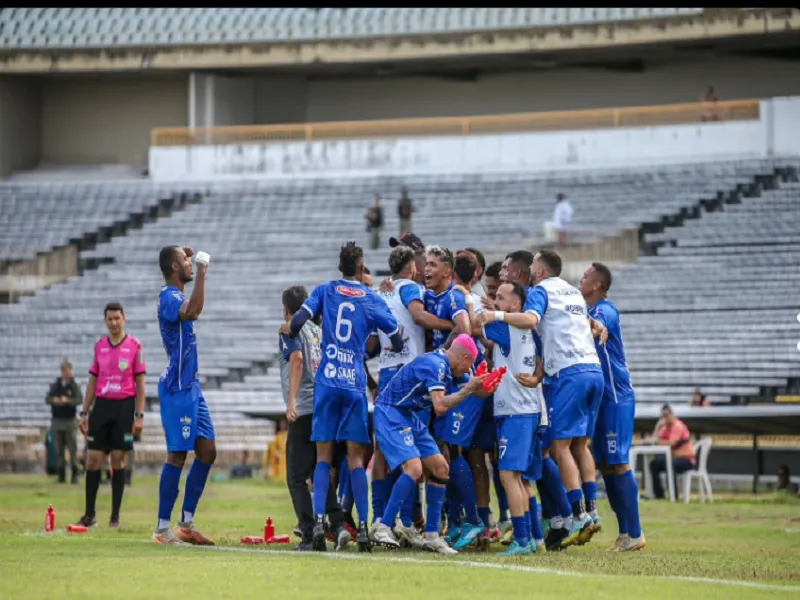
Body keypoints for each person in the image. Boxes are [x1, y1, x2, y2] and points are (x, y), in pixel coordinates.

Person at [282, 242, 403, 552]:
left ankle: (320, 524)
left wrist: (291, 328)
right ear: (361, 269)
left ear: (340, 266)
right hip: (353, 386)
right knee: (354, 459)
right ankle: (362, 528)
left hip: (327, 383)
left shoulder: (325, 290)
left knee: (322, 458)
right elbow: (396, 335)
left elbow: (297, 323)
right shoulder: (371, 297)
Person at [480, 249, 604, 548]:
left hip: (563, 375)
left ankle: (574, 515)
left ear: (537, 272)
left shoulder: (538, 294)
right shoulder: (572, 291)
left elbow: (531, 320)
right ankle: (588, 512)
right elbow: (583, 322)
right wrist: (600, 326)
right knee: (576, 446)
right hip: (592, 369)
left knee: (554, 451)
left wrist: (492, 312)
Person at [370, 335, 489, 554]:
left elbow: (475, 390)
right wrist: (469, 388)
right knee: (414, 468)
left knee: (441, 467)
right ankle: (383, 526)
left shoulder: (453, 369)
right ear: (463, 357)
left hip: (408, 415)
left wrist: (486, 383)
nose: (468, 369)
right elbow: (440, 406)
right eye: (469, 364)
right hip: (391, 412)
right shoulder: (436, 365)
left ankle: (432, 535)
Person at [372, 245, 453, 546]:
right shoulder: (409, 289)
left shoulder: (381, 293)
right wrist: (451, 325)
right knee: (413, 456)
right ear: (413, 266)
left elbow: (371, 342)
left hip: (386, 372)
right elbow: (419, 316)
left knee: (386, 451)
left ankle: (383, 516)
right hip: (412, 374)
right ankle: (403, 521)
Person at [152, 246, 217, 546]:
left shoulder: (175, 294)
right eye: (186, 261)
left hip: (192, 387)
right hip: (177, 388)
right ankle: (162, 529)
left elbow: (189, 307)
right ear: (175, 268)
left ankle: (186, 524)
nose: (190, 264)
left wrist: (184, 253)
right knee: (177, 455)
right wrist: (202, 272)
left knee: (207, 452)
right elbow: (192, 311)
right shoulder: (168, 297)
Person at [279, 285, 350, 551]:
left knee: (296, 477)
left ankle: (310, 534)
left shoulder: (290, 329)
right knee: (317, 469)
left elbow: (296, 360)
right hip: (323, 405)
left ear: (287, 310)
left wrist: (291, 401)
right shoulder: (318, 331)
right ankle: (338, 524)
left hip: (305, 407)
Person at [580, 262, 645, 552]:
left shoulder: (604, 310)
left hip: (616, 396)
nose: (580, 280)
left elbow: (602, 324)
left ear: (596, 286)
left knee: (618, 461)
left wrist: (596, 326)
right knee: (606, 465)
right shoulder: (587, 312)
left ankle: (636, 532)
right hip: (601, 397)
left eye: (585, 276)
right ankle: (625, 533)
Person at [483, 281, 547, 556]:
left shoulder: (507, 327)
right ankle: (535, 538)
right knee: (520, 479)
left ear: (515, 304)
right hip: (527, 409)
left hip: (515, 411)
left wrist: (469, 299)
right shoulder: (529, 330)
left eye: (500, 297)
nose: (495, 301)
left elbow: (474, 325)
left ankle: (522, 540)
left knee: (508, 475)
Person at [75, 302, 146, 528]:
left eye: (117, 318)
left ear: (124, 318)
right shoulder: (99, 346)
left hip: (124, 408)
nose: (114, 323)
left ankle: (114, 517)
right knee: (93, 459)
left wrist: (139, 415)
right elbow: (92, 380)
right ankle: (89, 515)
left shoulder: (135, 346)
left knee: (118, 459)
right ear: (105, 321)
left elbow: (141, 383)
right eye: (110, 319)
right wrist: (84, 411)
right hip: (102, 407)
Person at [46, 358, 82, 484]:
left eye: (68, 370)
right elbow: (47, 399)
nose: (66, 372)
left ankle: (74, 474)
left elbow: (79, 399)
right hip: (57, 420)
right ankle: (61, 475)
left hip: (69, 420)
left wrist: (68, 401)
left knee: (72, 448)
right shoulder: (56, 385)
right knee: (59, 449)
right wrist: (55, 400)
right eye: (64, 370)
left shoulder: (74, 385)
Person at [648, 404, 695, 500]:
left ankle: (674, 496)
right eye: (663, 416)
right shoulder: (665, 427)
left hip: (686, 459)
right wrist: (657, 426)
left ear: (672, 414)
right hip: (673, 458)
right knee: (654, 464)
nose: (665, 418)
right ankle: (659, 495)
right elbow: (654, 439)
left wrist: (656, 441)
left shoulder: (678, 425)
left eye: (667, 415)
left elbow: (671, 443)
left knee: (669, 464)